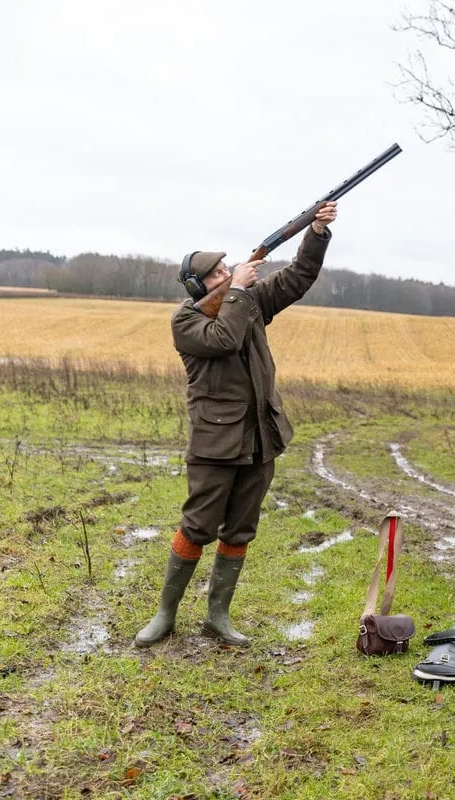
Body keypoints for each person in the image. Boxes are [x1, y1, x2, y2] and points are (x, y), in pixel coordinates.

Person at [134, 201, 338, 648]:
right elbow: (224, 338)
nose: (228, 274)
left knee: (241, 528)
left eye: (228, 268)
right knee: (197, 526)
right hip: (215, 441)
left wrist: (317, 234)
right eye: (217, 274)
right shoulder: (187, 320)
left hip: (260, 438)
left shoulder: (246, 303)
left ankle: (217, 617)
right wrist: (241, 291)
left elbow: (298, 278)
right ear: (196, 287)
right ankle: (164, 616)